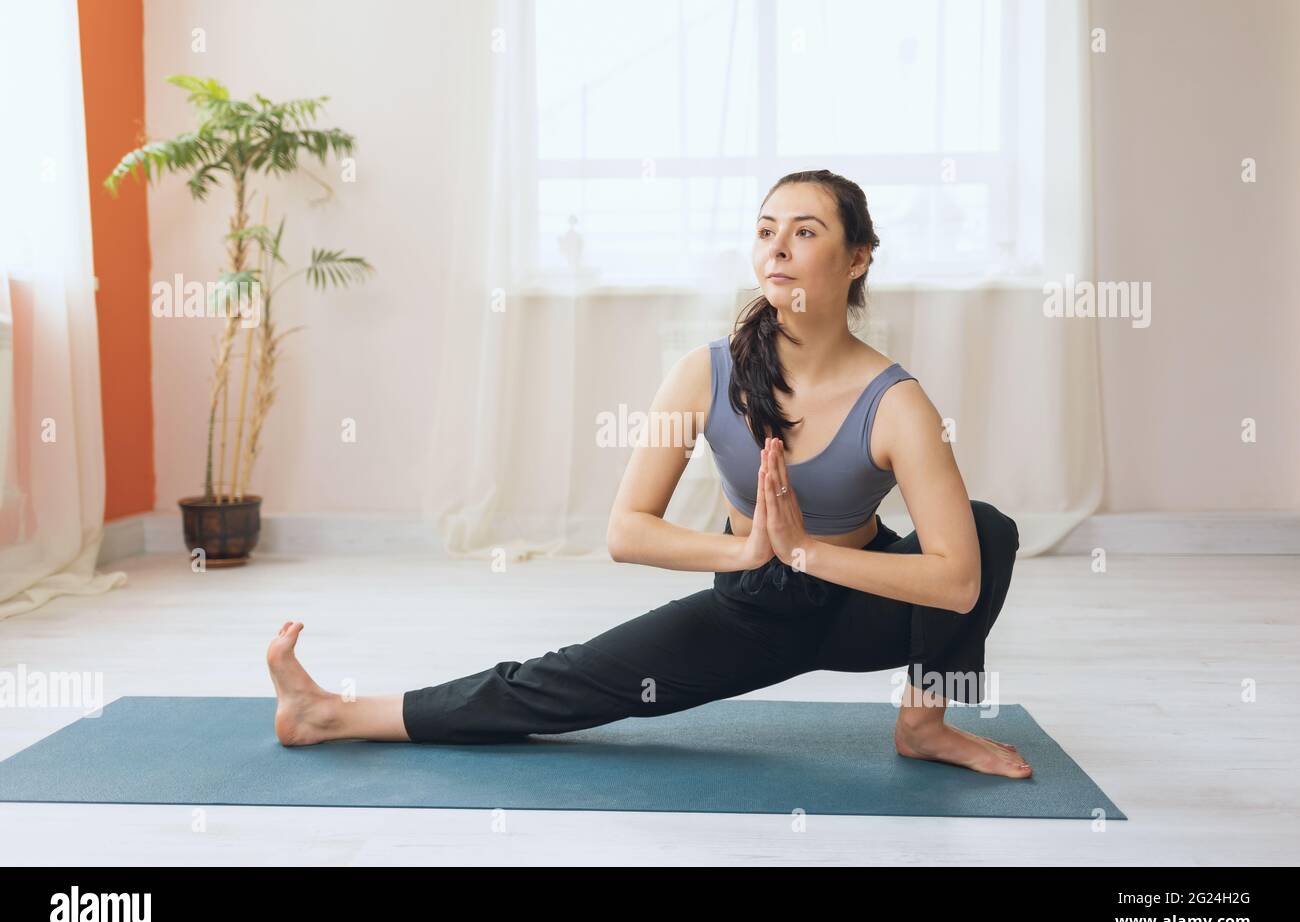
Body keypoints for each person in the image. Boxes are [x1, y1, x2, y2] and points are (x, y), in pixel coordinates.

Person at [267, 169, 1029, 778]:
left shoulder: (897, 404)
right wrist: (748, 554)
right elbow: (625, 532)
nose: (779, 248)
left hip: (860, 601)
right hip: (752, 605)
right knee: (557, 682)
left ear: (858, 258)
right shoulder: (704, 374)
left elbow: (958, 580)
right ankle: (328, 713)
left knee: (989, 530)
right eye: (767, 232)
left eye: (806, 231)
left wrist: (808, 553)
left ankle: (924, 726)